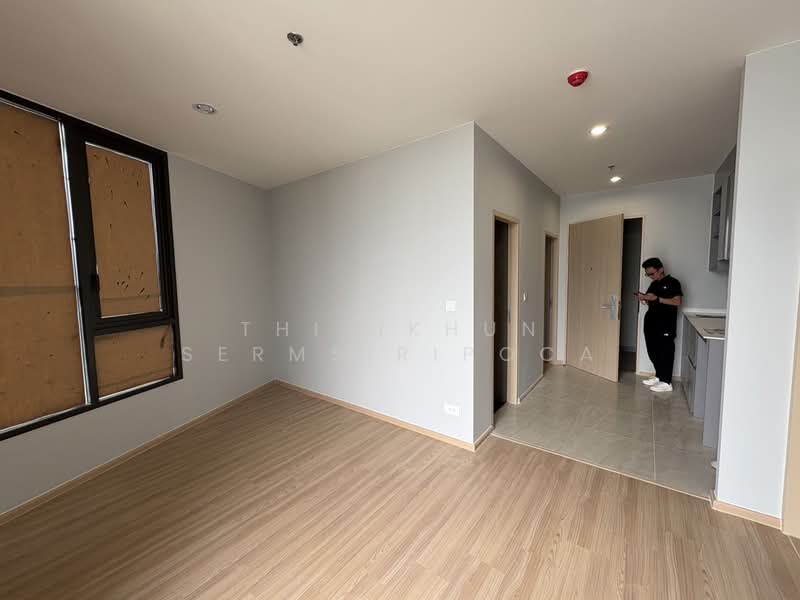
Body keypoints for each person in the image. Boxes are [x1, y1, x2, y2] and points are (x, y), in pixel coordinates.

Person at [636, 257, 683, 392]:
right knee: (653, 351)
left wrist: (658, 299)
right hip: (651, 322)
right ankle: (659, 376)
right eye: (648, 274)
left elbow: (677, 302)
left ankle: (666, 382)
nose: (650, 276)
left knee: (665, 352)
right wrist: (644, 299)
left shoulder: (673, 282)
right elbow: (650, 300)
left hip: (665, 323)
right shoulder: (654, 284)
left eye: (652, 273)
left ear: (661, 269)